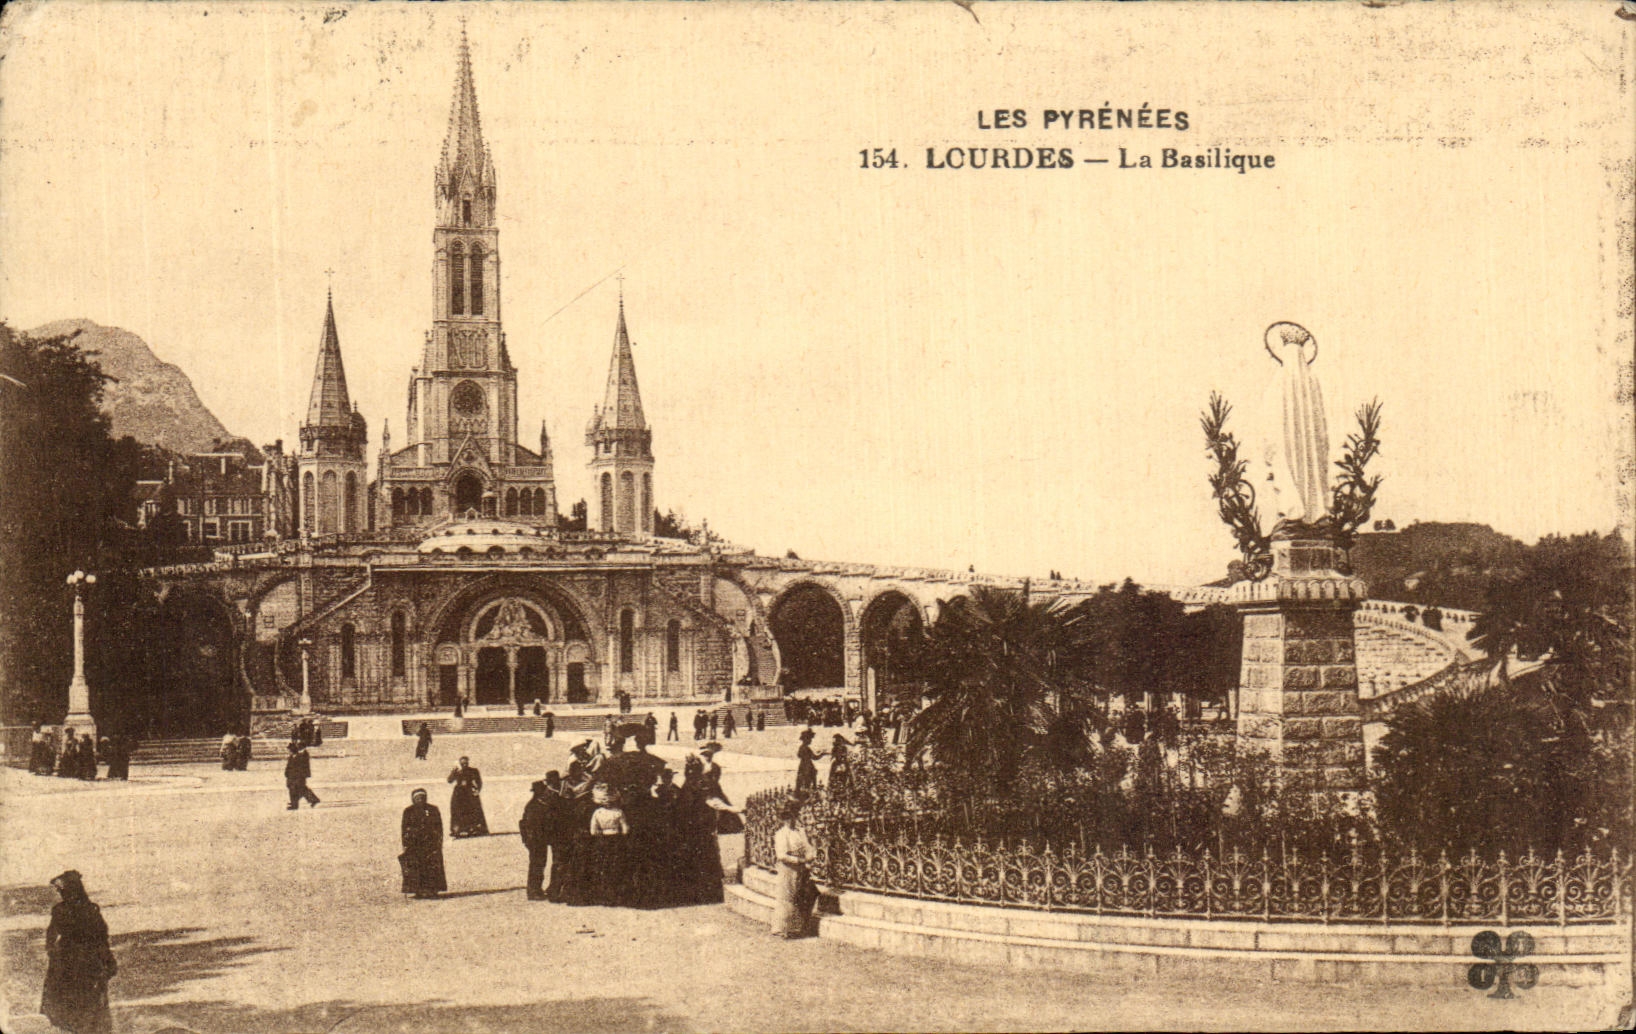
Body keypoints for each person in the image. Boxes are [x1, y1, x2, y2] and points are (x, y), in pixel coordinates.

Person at [41, 870, 116, 1034]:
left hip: (70, 963)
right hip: (85, 962)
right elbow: (101, 937)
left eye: (62, 891)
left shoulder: (62, 910)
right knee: (89, 1005)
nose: (61, 894)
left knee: (75, 1006)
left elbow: (50, 937)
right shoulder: (90, 910)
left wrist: (54, 954)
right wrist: (108, 961)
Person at [771, 799, 817, 938]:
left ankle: (798, 927)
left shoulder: (800, 831)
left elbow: (808, 847)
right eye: (788, 817)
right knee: (787, 897)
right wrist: (800, 860)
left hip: (801, 869)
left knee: (803, 895)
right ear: (784, 819)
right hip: (788, 869)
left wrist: (810, 855)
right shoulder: (781, 834)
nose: (791, 820)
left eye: (793, 816)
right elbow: (781, 855)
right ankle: (785, 929)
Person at [587, 782, 630, 906]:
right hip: (616, 840)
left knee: (603, 867)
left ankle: (603, 895)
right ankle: (616, 896)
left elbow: (593, 831)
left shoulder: (597, 813)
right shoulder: (619, 812)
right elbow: (625, 829)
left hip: (602, 841)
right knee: (616, 867)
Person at [400, 789, 447, 899]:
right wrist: (406, 843)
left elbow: (439, 827)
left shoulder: (433, 810)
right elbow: (404, 829)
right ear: (413, 799)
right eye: (418, 798)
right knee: (417, 866)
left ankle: (432, 889)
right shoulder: (408, 811)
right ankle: (418, 890)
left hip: (430, 843)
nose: (420, 800)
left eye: (422, 797)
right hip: (415, 844)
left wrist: (438, 842)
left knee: (431, 867)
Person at [519, 780, 554, 900]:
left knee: (538, 864)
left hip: (536, 840)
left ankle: (536, 889)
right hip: (536, 841)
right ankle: (533, 891)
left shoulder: (534, 804)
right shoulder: (535, 806)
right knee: (537, 864)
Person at [447, 756, 488, 837]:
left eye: (466, 763)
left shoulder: (473, 771)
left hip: (469, 794)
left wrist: (477, 790)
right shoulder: (457, 771)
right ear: (460, 763)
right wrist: (453, 772)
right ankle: (459, 829)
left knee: (472, 811)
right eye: (462, 763)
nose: (464, 765)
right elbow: (449, 780)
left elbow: (479, 782)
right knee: (458, 811)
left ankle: (475, 829)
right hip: (459, 795)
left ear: (468, 762)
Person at [285, 741, 320, 809]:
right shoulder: (294, 756)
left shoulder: (300, 756)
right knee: (301, 789)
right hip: (294, 777)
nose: (288, 751)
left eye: (289, 750)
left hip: (298, 776)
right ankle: (312, 800)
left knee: (298, 790)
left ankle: (295, 804)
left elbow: (300, 767)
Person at [794, 729, 826, 793]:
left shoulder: (802, 747)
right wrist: (822, 754)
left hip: (803, 765)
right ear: (806, 739)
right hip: (807, 766)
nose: (811, 740)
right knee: (809, 779)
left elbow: (799, 755)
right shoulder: (806, 748)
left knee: (802, 780)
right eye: (809, 739)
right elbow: (815, 757)